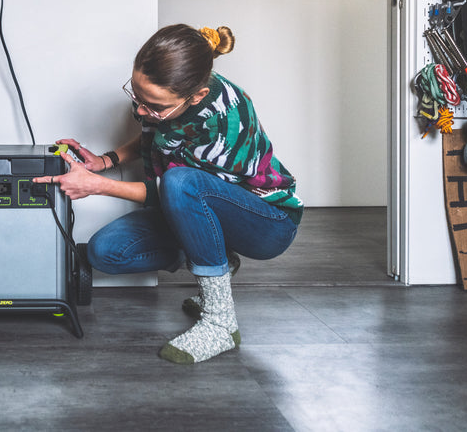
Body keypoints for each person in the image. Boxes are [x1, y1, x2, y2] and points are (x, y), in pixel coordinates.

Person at [34, 23, 302, 364]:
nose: (142, 112)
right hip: (198, 207)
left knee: (179, 182)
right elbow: (160, 133)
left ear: (196, 97)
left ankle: (220, 323)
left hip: (268, 222)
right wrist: (106, 161)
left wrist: (98, 186)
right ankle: (217, 256)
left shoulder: (224, 117)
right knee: (105, 253)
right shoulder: (161, 101)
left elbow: (181, 190)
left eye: (154, 106)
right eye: (136, 97)